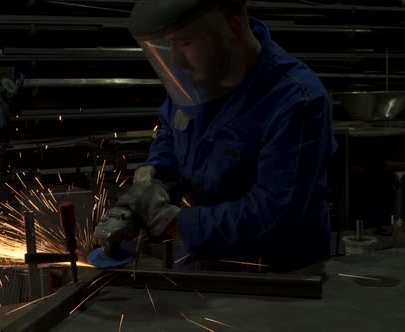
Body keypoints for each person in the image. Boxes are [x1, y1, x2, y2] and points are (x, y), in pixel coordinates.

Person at [115, 0, 337, 272]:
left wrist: (176, 223)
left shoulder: (296, 100)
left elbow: (275, 215)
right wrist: (153, 178)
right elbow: (171, 134)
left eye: (184, 43)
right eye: (169, 44)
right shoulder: (196, 80)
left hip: (282, 279)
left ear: (231, 27)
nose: (175, 60)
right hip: (210, 263)